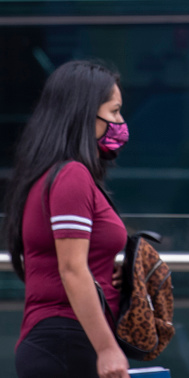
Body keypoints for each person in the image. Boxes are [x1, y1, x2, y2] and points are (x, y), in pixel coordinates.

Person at [3, 60, 131, 378]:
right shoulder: (70, 176)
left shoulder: (52, 174)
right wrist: (107, 349)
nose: (121, 122)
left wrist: (106, 267)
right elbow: (71, 268)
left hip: (66, 340)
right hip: (66, 341)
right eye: (114, 111)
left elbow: (69, 259)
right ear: (86, 113)